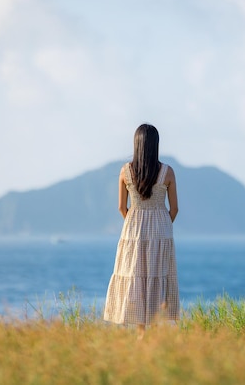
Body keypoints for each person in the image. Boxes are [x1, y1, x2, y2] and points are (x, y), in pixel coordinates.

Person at [103, 123, 180, 337]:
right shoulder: (167, 172)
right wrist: (162, 226)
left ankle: (140, 333)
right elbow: (174, 209)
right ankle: (153, 331)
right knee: (157, 276)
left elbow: (121, 207)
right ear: (155, 145)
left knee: (135, 276)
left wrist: (135, 226)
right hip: (161, 231)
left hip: (133, 230)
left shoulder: (125, 171)